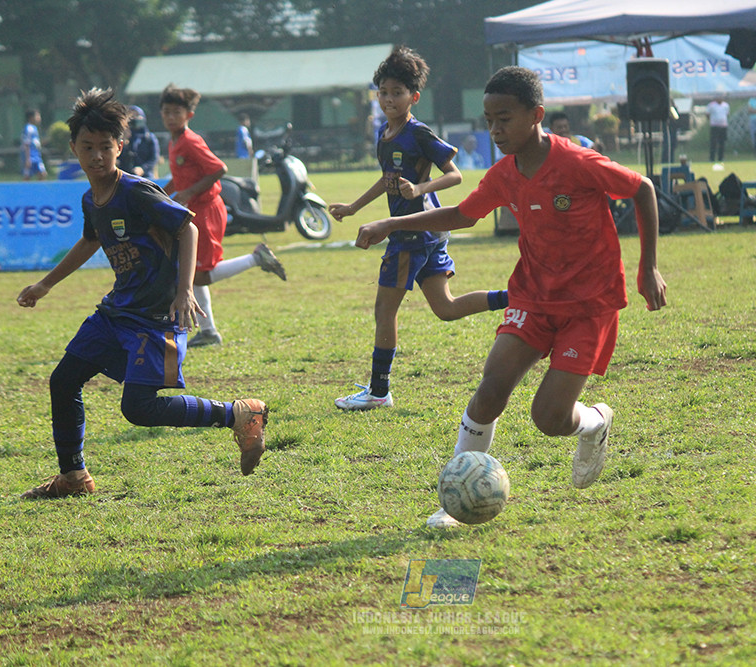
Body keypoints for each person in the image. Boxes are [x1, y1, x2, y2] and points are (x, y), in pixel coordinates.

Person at [354, 66, 667, 528]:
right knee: (489, 393)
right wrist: (389, 224)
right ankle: (453, 502)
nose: (495, 130)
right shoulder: (505, 174)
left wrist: (648, 267)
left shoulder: (578, 162)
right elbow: (462, 215)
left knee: (549, 418)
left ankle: (596, 421)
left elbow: (642, 189)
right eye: (488, 121)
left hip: (588, 305)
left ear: (536, 115)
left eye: (505, 118)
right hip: (532, 298)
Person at [15, 88, 271, 499]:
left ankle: (241, 414)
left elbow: (187, 226)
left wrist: (185, 290)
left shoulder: (135, 190)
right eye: (87, 147)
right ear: (73, 148)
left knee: (138, 408)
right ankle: (74, 477)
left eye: (105, 147)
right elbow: (90, 240)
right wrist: (46, 284)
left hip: (154, 317)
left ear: (120, 146)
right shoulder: (91, 197)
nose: (96, 155)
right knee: (64, 381)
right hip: (117, 311)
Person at [328, 46, 509, 411]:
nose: (389, 99)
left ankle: (379, 391)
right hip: (424, 233)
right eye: (383, 92)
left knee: (384, 310)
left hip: (413, 234)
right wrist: (353, 207)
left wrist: (420, 188)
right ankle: (518, 298)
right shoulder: (385, 132)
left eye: (397, 93)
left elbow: (455, 175)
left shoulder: (418, 133)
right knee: (446, 307)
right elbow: (387, 180)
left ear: (414, 96)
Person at [160, 84, 287, 348]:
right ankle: (208, 332)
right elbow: (180, 176)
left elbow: (218, 169)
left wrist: (189, 192)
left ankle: (256, 258)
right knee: (193, 272)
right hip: (192, 212)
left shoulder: (191, 141)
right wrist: (162, 192)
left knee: (200, 276)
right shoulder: (174, 142)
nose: (171, 117)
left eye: (176, 112)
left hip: (205, 211)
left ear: (189, 116)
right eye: (166, 112)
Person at [118, 105, 160, 178]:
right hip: (126, 177)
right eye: (131, 116)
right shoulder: (124, 137)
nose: (134, 119)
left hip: (146, 178)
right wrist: (124, 141)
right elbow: (119, 158)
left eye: (136, 115)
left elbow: (154, 158)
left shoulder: (149, 138)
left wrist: (143, 169)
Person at [21, 109, 47, 180]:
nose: (39, 118)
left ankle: (40, 190)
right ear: (31, 117)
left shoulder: (35, 128)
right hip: (30, 155)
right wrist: (27, 158)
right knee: (27, 176)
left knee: (42, 173)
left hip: (36, 156)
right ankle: (24, 190)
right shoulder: (28, 128)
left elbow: (35, 143)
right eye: (37, 116)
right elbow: (26, 144)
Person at [705, 94, 730, 165]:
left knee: (722, 142)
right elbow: (707, 114)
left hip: (723, 126)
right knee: (713, 143)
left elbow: (727, 114)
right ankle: (712, 158)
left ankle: (721, 158)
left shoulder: (726, 105)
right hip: (714, 126)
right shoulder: (711, 105)